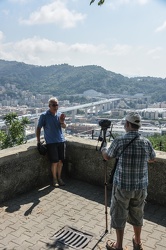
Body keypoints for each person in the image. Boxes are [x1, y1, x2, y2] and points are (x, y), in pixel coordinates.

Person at [102, 112, 156, 250]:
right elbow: (152, 158)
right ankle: (137, 243)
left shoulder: (119, 141)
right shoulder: (146, 142)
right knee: (138, 214)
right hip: (140, 186)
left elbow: (107, 156)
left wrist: (103, 147)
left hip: (123, 186)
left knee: (119, 214)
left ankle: (119, 246)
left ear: (127, 124)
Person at [36, 97, 66, 187]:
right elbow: (38, 128)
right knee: (54, 162)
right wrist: (38, 141)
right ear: (49, 106)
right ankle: (54, 179)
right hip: (51, 142)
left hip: (61, 140)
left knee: (61, 161)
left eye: (57, 104)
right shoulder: (44, 116)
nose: (56, 106)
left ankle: (60, 177)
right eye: (54, 105)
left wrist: (62, 122)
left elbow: (64, 126)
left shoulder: (59, 114)